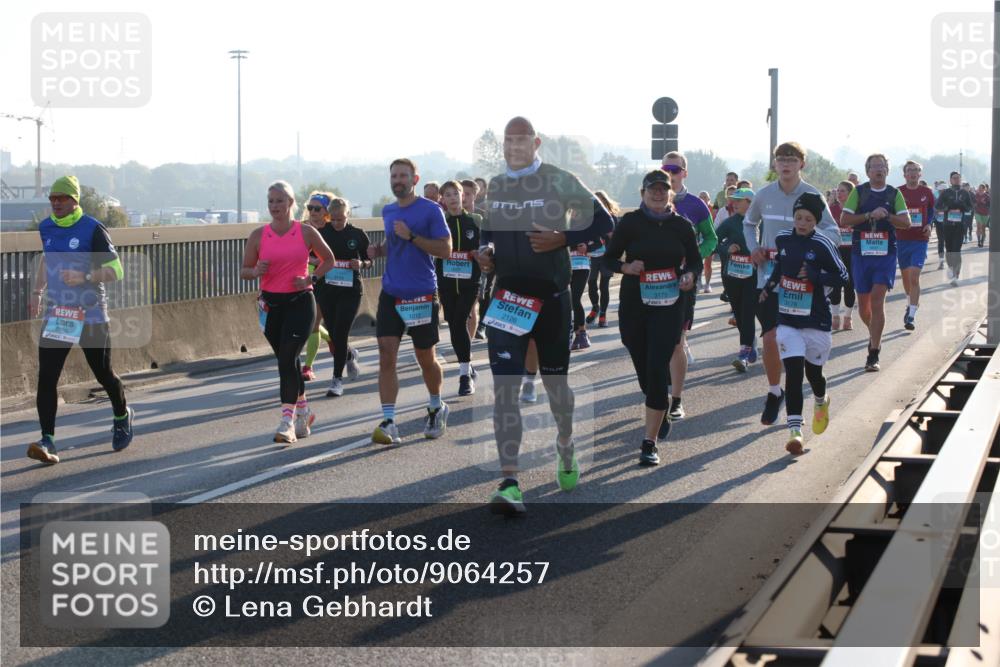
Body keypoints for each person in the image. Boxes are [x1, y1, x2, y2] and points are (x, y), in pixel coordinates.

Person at [477, 116, 613, 515]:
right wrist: (486, 254)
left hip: (552, 299)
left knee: (556, 390)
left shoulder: (558, 179)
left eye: (520, 140)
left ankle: (565, 443)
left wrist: (563, 238)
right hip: (508, 298)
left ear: (535, 143)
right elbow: (489, 232)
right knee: (505, 389)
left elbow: (604, 221)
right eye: (507, 141)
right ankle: (510, 482)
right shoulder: (497, 185)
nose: (513, 147)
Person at [26, 175, 133, 464]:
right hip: (60, 314)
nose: (56, 203)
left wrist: (84, 276)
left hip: (91, 313)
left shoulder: (92, 228)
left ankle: (121, 416)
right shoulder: (46, 227)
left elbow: (116, 271)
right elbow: (47, 259)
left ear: (74, 200)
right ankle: (47, 440)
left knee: (103, 373)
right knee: (47, 377)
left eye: (62, 198)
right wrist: (37, 291)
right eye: (52, 198)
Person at [606, 170, 700, 465]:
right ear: (643, 193)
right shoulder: (630, 222)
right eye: (652, 190)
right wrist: (625, 267)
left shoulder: (681, 225)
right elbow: (608, 259)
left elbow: (695, 261)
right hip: (635, 304)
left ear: (670, 193)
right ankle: (659, 405)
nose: (658, 194)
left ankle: (649, 443)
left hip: (670, 304)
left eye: (663, 189)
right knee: (644, 369)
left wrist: (690, 275)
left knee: (658, 366)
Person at [743, 141, 840, 425]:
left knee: (804, 351)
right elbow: (749, 224)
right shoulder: (764, 195)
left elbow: (833, 232)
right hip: (769, 278)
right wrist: (754, 248)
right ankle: (775, 392)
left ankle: (814, 392)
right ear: (775, 164)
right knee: (770, 337)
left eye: (792, 160)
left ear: (801, 164)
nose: (786, 165)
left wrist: (808, 251)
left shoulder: (812, 195)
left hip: (802, 285)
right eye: (781, 159)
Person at [241, 180, 335, 443]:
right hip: (271, 306)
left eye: (280, 201)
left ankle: (287, 422)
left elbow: (328, 259)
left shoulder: (305, 232)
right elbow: (244, 271)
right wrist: (255, 271)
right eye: (271, 201)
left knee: (286, 360)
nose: (275, 206)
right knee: (289, 361)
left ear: (291, 203)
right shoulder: (258, 235)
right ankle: (304, 411)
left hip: (300, 302)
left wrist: (310, 279)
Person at [366, 159, 453, 444]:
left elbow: (446, 249)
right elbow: (394, 243)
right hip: (392, 292)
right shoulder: (388, 211)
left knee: (425, 357)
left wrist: (413, 236)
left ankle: (436, 405)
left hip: (421, 293)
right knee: (385, 355)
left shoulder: (431, 210)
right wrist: (379, 250)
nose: (398, 181)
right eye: (394, 176)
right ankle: (389, 421)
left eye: (403, 176)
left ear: (415, 179)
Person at [759, 192, 848, 455]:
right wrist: (768, 288)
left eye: (808, 219)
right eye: (798, 217)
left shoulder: (823, 244)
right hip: (788, 319)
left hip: (816, 321)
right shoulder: (783, 239)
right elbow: (780, 267)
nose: (802, 223)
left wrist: (815, 275)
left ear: (816, 221)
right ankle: (795, 431)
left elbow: (842, 276)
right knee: (794, 374)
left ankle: (821, 399)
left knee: (814, 375)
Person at [661, 151, 718, 421]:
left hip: (685, 279)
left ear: (684, 173)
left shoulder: (696, 205)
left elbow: (711, 239)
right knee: (656, 339)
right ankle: (661, 386)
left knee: (676, 340)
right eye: (665, 168)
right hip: (656, 280)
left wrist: (693, 259)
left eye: (674, 169)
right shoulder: (653, 199)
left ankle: (675, 398)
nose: (669, 173)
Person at [839, 154, 910, 371]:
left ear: (887, 170)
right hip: (861, 254)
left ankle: (874, 352)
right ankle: (874, 334)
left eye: (882, 166)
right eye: (874, 166)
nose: (879, 170)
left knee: (878, 300)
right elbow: (844, 220)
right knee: (864, 307)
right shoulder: (859, 192)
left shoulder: (894, 193)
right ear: (867, 171)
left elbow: (906, 222)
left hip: (885, 254)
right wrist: (869, 214)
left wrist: (887, 216)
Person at [314, 196, 369, 397]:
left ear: (348, 215)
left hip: (350, 290)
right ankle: (349, 355)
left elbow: (368, 260)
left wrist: (361, 264)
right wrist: (316, 261)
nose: (337, 223)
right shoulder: (321, 233)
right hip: (327, 290)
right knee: (334, 334)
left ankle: (336, 380)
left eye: (341, 219)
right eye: (334, 219)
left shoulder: (358, 234)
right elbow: (308, 255)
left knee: (341, 332)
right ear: (329, 216)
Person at [437, 180, 482, 396]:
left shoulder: (475, 220)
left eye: (456, 193)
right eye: (448, 195)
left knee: (460, 321)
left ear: (463, 196)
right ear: (443, 200)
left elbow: (487, 244)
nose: (452, 198)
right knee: (454, 325)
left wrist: (481, 252)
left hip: (469, 282)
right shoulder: (439, 223)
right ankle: (468, 367)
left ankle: (464, 375)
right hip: (446, 283)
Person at [716, 187, 758, 371]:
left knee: (748, 312)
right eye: (733, 200)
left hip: (753, 275)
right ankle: (750, 344)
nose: (734, 203)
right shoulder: (730, 223)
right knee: (739, 314)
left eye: (739, 200)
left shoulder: (761, 222)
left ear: (750, 203)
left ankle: (744, 353)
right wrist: (727, 249)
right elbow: (713, 242)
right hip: (732, 276)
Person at [301, 192, 336, 381]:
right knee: (307, 323)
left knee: (313, 323)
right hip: (304, 280)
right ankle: (331, 339)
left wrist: (317, 260)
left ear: (326, 212)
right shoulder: (302, 228)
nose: (312, 212)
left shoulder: (332, 230)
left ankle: (307, 367)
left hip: (326, 281)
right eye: (310, 208)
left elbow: (334, 257)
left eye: (317, 209)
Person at [896, 161, 934, 331]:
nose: (913, 173)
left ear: (920, 174)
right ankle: (910, 303)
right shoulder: (898, 192)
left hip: (920, 240)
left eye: (916, 170)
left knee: (914, 277)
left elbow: (931, 210)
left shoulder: (927, 192)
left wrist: (929, 224)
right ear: (904, 174)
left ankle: (911, 316)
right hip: (902, 239)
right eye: (909, 170)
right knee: (906, 278)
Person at [585, 190, 619, 328]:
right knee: (591, 284)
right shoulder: (588, 218)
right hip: (591, 256)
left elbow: (617, 237)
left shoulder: (612, 218)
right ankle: (595, 307)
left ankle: (603, 314)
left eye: (600, 201)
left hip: (606, 257)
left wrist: (611, 236)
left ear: (605, 202)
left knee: (604, 286)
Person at [935, 171, 975, 287]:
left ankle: (956, 276)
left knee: (957, 250)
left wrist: (962, 206)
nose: (956, 179)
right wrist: (947, 207)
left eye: (958, 178)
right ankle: (951, 269)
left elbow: (970, 207)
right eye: (954, 178)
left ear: (960, 179)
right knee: (949, 250)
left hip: (960, 226)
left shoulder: (965, 193)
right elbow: (937, 206)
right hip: (947, 225)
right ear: (950, 180)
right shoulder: (946, 193)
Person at [828, 180, 855, 330]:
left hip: (852, 251)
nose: (839, 193)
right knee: (835, 284)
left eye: (843, 190)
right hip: (835, 251)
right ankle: (835, 316)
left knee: (850, 285)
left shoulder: (856, 209)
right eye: (838, 190)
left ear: (850, 193)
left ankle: (848, 317)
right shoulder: (831, 209)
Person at [461, 179, 484, 340]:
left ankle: (467, 345)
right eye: (461, 193)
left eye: (468, 194)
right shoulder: (447, 217)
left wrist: (482, 252)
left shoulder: (481, 218)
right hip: (452, 269)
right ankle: (459, 341)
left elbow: (490, 241)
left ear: (475, 196)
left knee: (472, 306)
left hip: (475, 269)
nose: (464, 197)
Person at [974, 183, 991, 248]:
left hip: (985, 213)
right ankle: (978, 241)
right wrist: (975, 204)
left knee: (983, 228)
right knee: (979, 226)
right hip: (977, 212)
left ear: (984, 189)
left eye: (981, 188)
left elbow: (989, 204)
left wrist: (985, 203)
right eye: (979, 188)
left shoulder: (987, 196)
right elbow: (973, 202)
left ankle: (982, 241)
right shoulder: (976, 195)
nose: (980, 189)